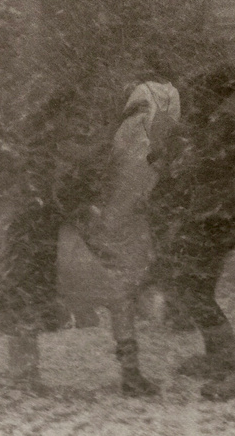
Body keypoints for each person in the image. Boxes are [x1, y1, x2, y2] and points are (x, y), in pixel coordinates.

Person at [0, 82, 113, 389]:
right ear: (63, 114)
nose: (80, 121)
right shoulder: (49, 142)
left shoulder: (46, 139)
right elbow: (65, 173)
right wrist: (112, 137)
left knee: (14, 304)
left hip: (36, 232)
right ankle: (22, 374)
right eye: (76, 114)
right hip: (35, 232)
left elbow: (76, 163)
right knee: (22, 305)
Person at [148, 64, 235, 401]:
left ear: (215, 91)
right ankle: (218, 356)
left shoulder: (229, 119)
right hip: (221, 210)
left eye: (199, 94)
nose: (194, 100)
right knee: (198, 284)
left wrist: (184, 161)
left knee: (193, 287)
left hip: (218, 212)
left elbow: (207, 160)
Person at [56, 77, 180, 396]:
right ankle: (130, 373)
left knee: (115, 297)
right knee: (113, 296)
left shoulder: (127, 132)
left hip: (106, 225)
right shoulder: (140, 136)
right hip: (113, 227)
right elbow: (134, 182)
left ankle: (131, 371)